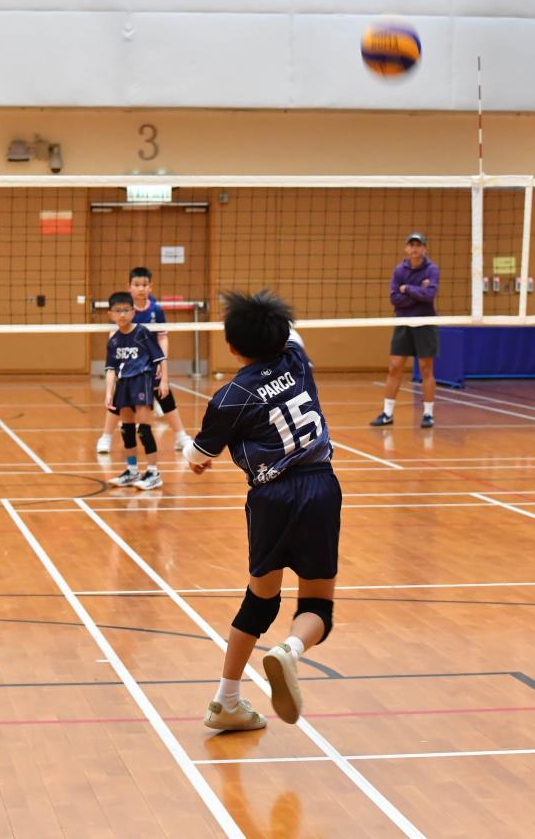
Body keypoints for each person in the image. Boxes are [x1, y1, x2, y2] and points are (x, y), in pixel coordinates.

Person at [184, 290, 339, 732]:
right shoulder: (297, 359)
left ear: (232, 347)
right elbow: (290, 332)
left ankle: (226, 700)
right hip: (320, 488)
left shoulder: (230, 398)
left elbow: (197, 456)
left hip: (269, 498)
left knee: (260, 601)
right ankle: (290, 650)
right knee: (317, 606)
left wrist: (199, 461)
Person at [96, 267, 191, 454]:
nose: (141, 288)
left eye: (144, 285)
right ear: (129, 286)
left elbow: (162, 337)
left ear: (150, 287)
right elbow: (115, 335)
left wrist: (162, 364)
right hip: (129, 364)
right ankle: (106, 437)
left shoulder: (156, 310)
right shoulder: (124, 308)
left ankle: (181, 437)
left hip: (150, 363)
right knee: (118, 400)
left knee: (165, 396)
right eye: (137, 285)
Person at [372, 232, 439, 429]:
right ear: (407, 248)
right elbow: (394, 299)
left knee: (426, 368)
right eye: (412, 245)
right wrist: (419, 291)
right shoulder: (399, 270)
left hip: (425, 322)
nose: (415, 248)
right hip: (404, 322)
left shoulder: (432, 269)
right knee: (395, 367)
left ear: (424, 248)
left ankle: (428, 414)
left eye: (419, 245)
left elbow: (430, 295)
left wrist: (407, 289)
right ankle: (387, 413)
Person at [104, 291, 166, 490]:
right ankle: (132, 471)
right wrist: (108, 393)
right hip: (123, 385)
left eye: (126, 310)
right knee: (127, 429)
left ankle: (153, 473)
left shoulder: (142, 332)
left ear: (133, 312)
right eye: (117, 310)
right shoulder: (114, 340)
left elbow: (160, 358)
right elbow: (111, 369)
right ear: (110, 314)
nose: (122, 314)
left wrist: (164, 381)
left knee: (144, 429)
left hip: (142, 380)